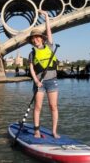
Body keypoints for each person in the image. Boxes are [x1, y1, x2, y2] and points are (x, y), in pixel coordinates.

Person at [28, 10, 60, 138]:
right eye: (33, 39)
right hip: (39, 83)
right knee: (38, 107)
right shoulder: (32, 53)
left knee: (53, 106)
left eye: (37, 37)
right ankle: (37, 130)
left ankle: (54, 131)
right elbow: (31, 69)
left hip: (52, 81)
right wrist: (36, 81)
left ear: (41, 38)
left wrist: (46, 16)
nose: (35, 40)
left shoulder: (50, 47)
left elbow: (49, 31)